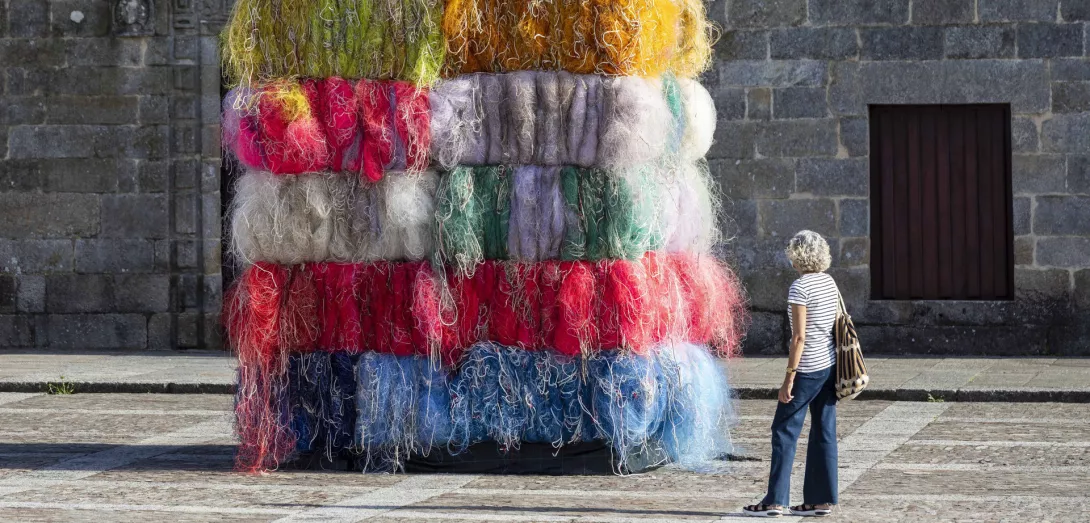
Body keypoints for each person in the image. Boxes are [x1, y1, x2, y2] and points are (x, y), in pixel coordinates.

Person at [743, 230, 840, 518]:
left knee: (783, 430)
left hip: (808, 368)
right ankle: (820, 501)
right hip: (829, 365)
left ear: (797, 256)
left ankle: (776, 501)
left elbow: (798, 338)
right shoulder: (829, 282)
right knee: (824, 430)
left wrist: (789, 377)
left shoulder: (800, 288)